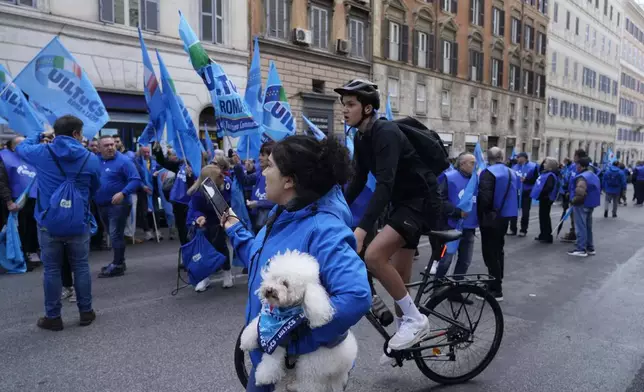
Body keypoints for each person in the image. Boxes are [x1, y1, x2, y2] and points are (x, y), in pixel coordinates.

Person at [222, 135, 371, 392]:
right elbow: (264, 264)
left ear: (289, 180)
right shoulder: (284, 212)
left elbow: (356, 295)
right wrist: (235, 231)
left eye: (269, 166)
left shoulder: (324, 228)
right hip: (271, 362)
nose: (262, 171)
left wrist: (294, 343)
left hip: (301, 373)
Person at [337, 79, 439, 351]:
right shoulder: (361, 136)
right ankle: (404, 334)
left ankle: (416, 321)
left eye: (350, 104)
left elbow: (385, 184)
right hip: (402, 204)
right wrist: (337, 208)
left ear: (368, 108)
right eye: (343, 104)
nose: (344, 110)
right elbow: (358, 179)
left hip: (420, 202)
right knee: (400, 281)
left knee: (373, 256)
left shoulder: (385, 132)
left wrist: (362, 229)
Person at [16, 115, 101, 331]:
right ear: (76, 134)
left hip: (48, 221)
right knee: (81, 266)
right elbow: (96, 187)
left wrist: (40, 135)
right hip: (78, 221)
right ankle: (85, 312)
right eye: (81, 133)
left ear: (55, 133)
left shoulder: (42, 152)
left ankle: (53, 317)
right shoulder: (90, 158)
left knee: (52, 269)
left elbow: (21, 147)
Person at [94, 135, 141, 277]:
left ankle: (118, 264)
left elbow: (135, 180)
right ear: (99, 148)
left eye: (112, 144)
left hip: (118, 205)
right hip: (101, 204)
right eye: (106, 145)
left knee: (115, 235)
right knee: (112, 234)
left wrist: (123, 193)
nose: (110, 147)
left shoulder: (124, 161)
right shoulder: (96, 161)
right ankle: (119, 261)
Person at [477, 147, 518, 301]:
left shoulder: (488, 173)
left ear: (489, 158)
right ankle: (496, 281)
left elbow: (484, 198)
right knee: (498, 249)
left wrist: (480, 213)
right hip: (505, 215)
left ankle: (495, 288)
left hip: (491, 217)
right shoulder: (511, 172)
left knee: (490, 252)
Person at [435, 152, 478, 304]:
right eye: (471, 162)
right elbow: (439, 199)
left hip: (469, 227)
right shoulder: (449, 177)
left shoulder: (476, 180)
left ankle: (456, 291)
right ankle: (437, 287)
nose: (474, 165)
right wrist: (456, 212)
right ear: (462, 164)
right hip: (451, 225)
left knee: (465, 261)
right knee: (446, 260)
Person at [187, 165, 234, 291]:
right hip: (204, 223)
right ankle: (205, 277)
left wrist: (225, 219)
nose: (223, 177)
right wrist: (200, 217)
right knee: (203, 250)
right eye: (219, 175)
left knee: (221, 246)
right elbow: (196, 209)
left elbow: (226, 205)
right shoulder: (197, 193)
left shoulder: (223, 188)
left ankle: (227, 273)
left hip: (219, 221)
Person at [0, 136, 40, 269]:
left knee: (31, 227)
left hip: (32, 200)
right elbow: (2, 182)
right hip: (15, 201)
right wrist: (9, 201)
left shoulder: (33, 159)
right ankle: (18, 258)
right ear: (12, 147)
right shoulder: (5, 159)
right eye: (21, 144)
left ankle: (30, 252)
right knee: (18, 230)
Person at [231, 141, 276, 233]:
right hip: (255, 218)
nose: (259, 158)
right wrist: (238, 164)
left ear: (272, 157)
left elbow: (278, 203)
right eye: (259, 155)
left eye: (263, 155)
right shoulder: (259, 173)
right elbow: (245, 180)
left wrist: (258, 203)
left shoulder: (278, 176)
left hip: (267, 222)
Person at [567, 157, 601, 257]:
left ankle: (581, 248)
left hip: (581, 204)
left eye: (577, 165)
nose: (576, 167)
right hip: (591, 203)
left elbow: (580, 193)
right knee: (588, 227)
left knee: (580, 227)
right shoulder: (593, 175)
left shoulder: (582, 177)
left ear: (581, 166)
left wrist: (572, 201)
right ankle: (590, 247)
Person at [509, 152, 539, 237]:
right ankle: (512, 229)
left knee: (525, 212)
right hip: (516, 191)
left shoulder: (533, 167)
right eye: (517, 157)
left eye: (519, 157)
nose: (517, 159)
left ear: (524, 158)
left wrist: (526, 180)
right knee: (513, 211)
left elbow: (536, 179)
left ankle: (523, 229)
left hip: (526, 192)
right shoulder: (514, 167)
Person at [531, 157, 559, 243]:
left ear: (550, 167)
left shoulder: (550, 175)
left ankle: (546, 235)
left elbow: (549, 187)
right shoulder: (546, 173)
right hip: (544, 198)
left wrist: (541, 193)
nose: (543, 164)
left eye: (546, 163)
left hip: (546, 198)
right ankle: (544, 234)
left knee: (544, 217)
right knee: (543, 217)